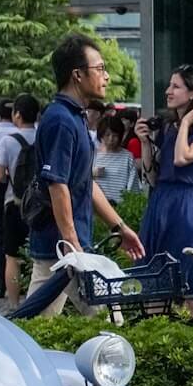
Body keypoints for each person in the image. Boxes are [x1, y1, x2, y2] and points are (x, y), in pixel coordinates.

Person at [17, 35, 144, 318]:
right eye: (99, 69)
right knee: (109, 320)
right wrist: (73, 246)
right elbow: (57, 184)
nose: (106, 76)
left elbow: (85, 183)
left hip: (65, 249)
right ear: (77, 75)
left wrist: (119, 227)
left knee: (37, 326)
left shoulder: (74, 117)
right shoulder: (61, 119)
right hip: (62, 250)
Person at [139, 64, 193, 319]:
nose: (168, 91)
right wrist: (144, 142)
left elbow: (183, 158)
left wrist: (186, 122)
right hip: (161, 202)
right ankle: (154, 346)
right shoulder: (168, 127)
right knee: (153, 285)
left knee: (192, 289)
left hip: (188, 206)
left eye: (176, 86)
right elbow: (153, 176)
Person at [0, 95, 40, 307]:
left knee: (12, 257)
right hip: (42, 206)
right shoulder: (43, 137)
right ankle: (35, 302)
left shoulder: (8, 141)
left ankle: (13, 305)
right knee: (39, 257)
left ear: (17, 115)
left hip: (15, 204)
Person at [93, 111, 143, 202]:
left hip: (120, 208)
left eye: (115, 135)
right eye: (107, 135)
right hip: (96, 208)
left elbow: (133, 188)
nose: (111, 139)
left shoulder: (127, 157)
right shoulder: (93, 155)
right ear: (101, 135)